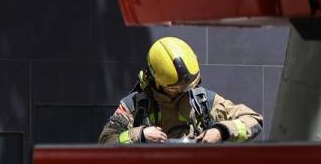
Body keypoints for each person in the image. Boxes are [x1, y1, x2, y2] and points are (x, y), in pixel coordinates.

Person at [99, 36, 263, 145]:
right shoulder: (135, 105)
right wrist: (140, 135)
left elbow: (254, 119)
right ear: (156, 82)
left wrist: (221, 131)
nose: (185, 91)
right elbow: (106, 142)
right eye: (177, 88)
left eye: (189, 86)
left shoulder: (202, 101)